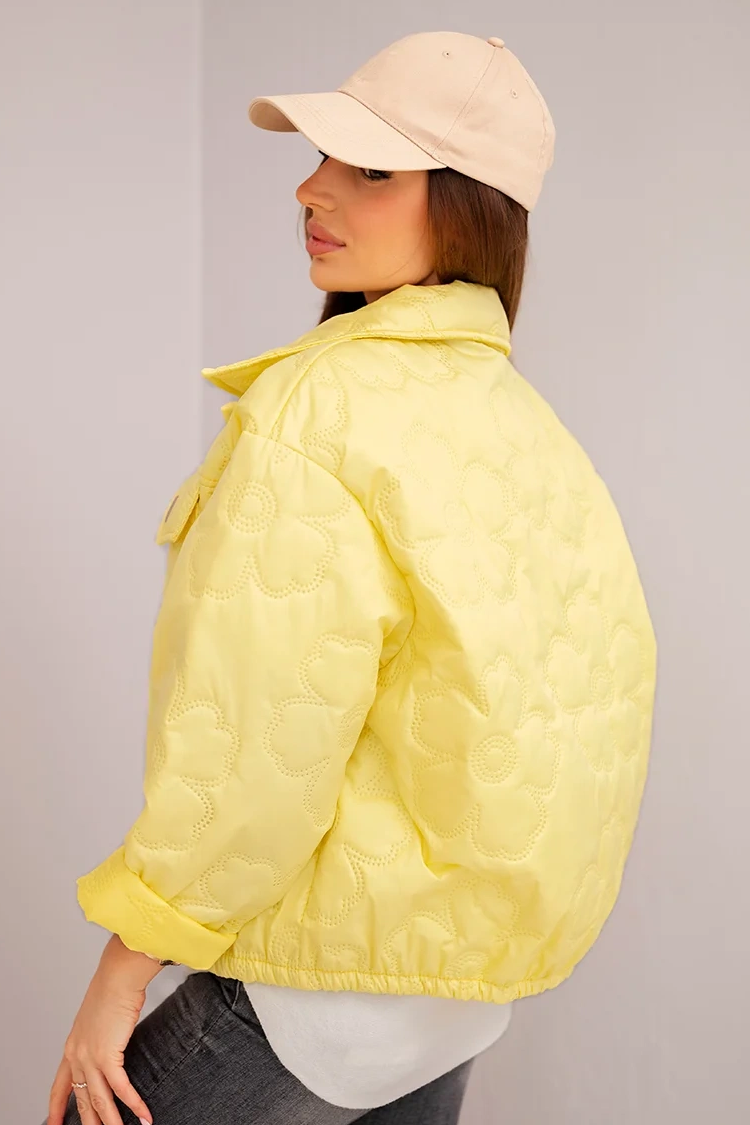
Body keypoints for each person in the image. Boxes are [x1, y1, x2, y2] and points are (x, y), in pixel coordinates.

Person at [46, 29, 658, 1125]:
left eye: (372, 168)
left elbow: (254, 744)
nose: (311, 188)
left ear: (468, 205)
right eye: (323, 155)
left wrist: (121, 974)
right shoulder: (530, 427)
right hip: (454, 994)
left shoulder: (316, 412)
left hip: (318, 992)